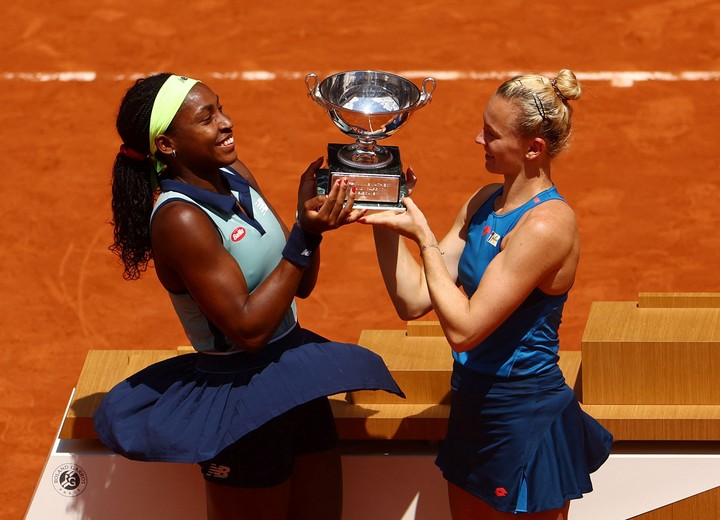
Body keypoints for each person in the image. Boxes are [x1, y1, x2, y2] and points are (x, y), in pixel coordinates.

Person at [94, 73, 404, 520]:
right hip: (238, 400)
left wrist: (306, 225)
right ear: (167, 144)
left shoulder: (237, 177)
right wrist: (303, 235)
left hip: (295, 376)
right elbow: (248, 329)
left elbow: (300, 283)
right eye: (207, 118)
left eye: (220, 108)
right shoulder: (179, 219)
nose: (226, 122)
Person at [359, 69, 613, 519]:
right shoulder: (483, 202)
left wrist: (424, 238)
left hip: (522, 416)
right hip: (473, 405)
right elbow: (415, 298)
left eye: (492, 134)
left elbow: (465, 329)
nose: (478, 139)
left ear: (533, 148)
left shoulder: (546, 226)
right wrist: (384, 215)